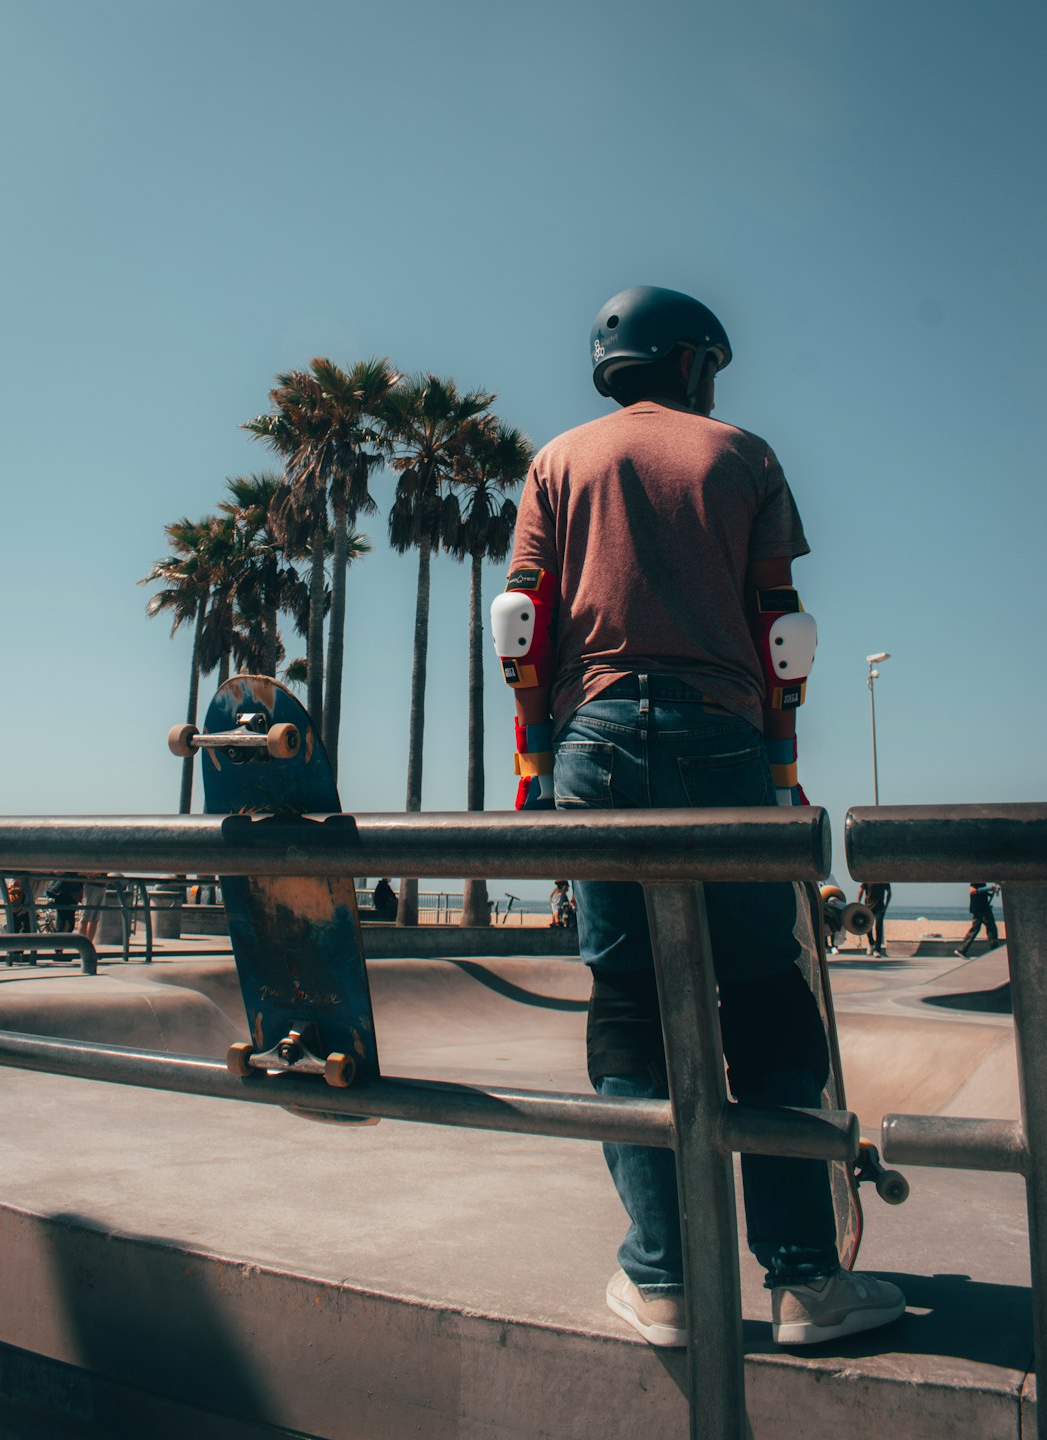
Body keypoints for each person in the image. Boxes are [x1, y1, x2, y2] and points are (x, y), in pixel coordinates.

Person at [491, 285, 904, 1348]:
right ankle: (806, 1278)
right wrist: (778, 771)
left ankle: (664, 1280)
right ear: (688, 363)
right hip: (724, 736)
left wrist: (538, 766)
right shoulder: (744, 455)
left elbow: (523, 624)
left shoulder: (557, 462)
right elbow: (781, 631)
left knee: (629, 1003)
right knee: (765, 995)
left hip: (590, 744)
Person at [955, 882, 999, 957]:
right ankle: (995, 950)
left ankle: (962, 949)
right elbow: (973, 891)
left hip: (981, 908)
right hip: (981, 909)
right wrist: (989, 888)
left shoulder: (981, 881)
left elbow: (980, 893)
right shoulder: (976, 880)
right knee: (991, 929)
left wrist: (989, 891)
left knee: (977, 929)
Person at [857, 881, 891, 957]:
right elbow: (861, 890)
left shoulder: (884, 879)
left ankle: (877, 949)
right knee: (867, 926)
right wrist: (858, 903)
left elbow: (889, 892)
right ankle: (871, 943)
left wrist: (886, 906)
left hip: (880, 907)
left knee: (878, 926)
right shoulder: (868, 878)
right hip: (868, 906)